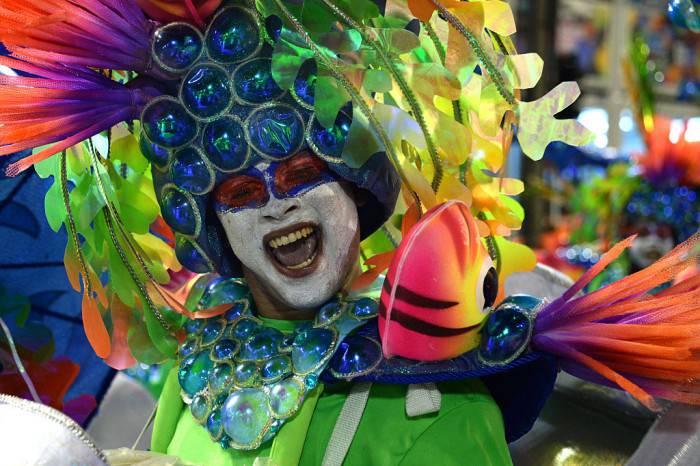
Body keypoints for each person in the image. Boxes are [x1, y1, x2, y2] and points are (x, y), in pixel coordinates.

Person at [1, 1, 699, 465]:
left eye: (303, 174)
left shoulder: (435, 400)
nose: (276, 206)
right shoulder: (196, 369)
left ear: (356, 194)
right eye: (243, 193)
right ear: (216, 234)